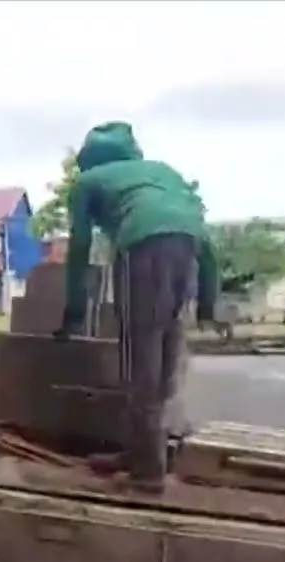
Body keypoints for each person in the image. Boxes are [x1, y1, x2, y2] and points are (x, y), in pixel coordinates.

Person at [56, 121, 220, 492]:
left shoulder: (87, 181)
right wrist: (208, 302)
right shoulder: (164, 173)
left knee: (139, 356)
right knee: (166, 349)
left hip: (143, 248)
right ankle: (139, 453)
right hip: (187, 249)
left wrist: (74, 310)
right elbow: (207, 243)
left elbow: (80, 246)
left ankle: (147, 473)